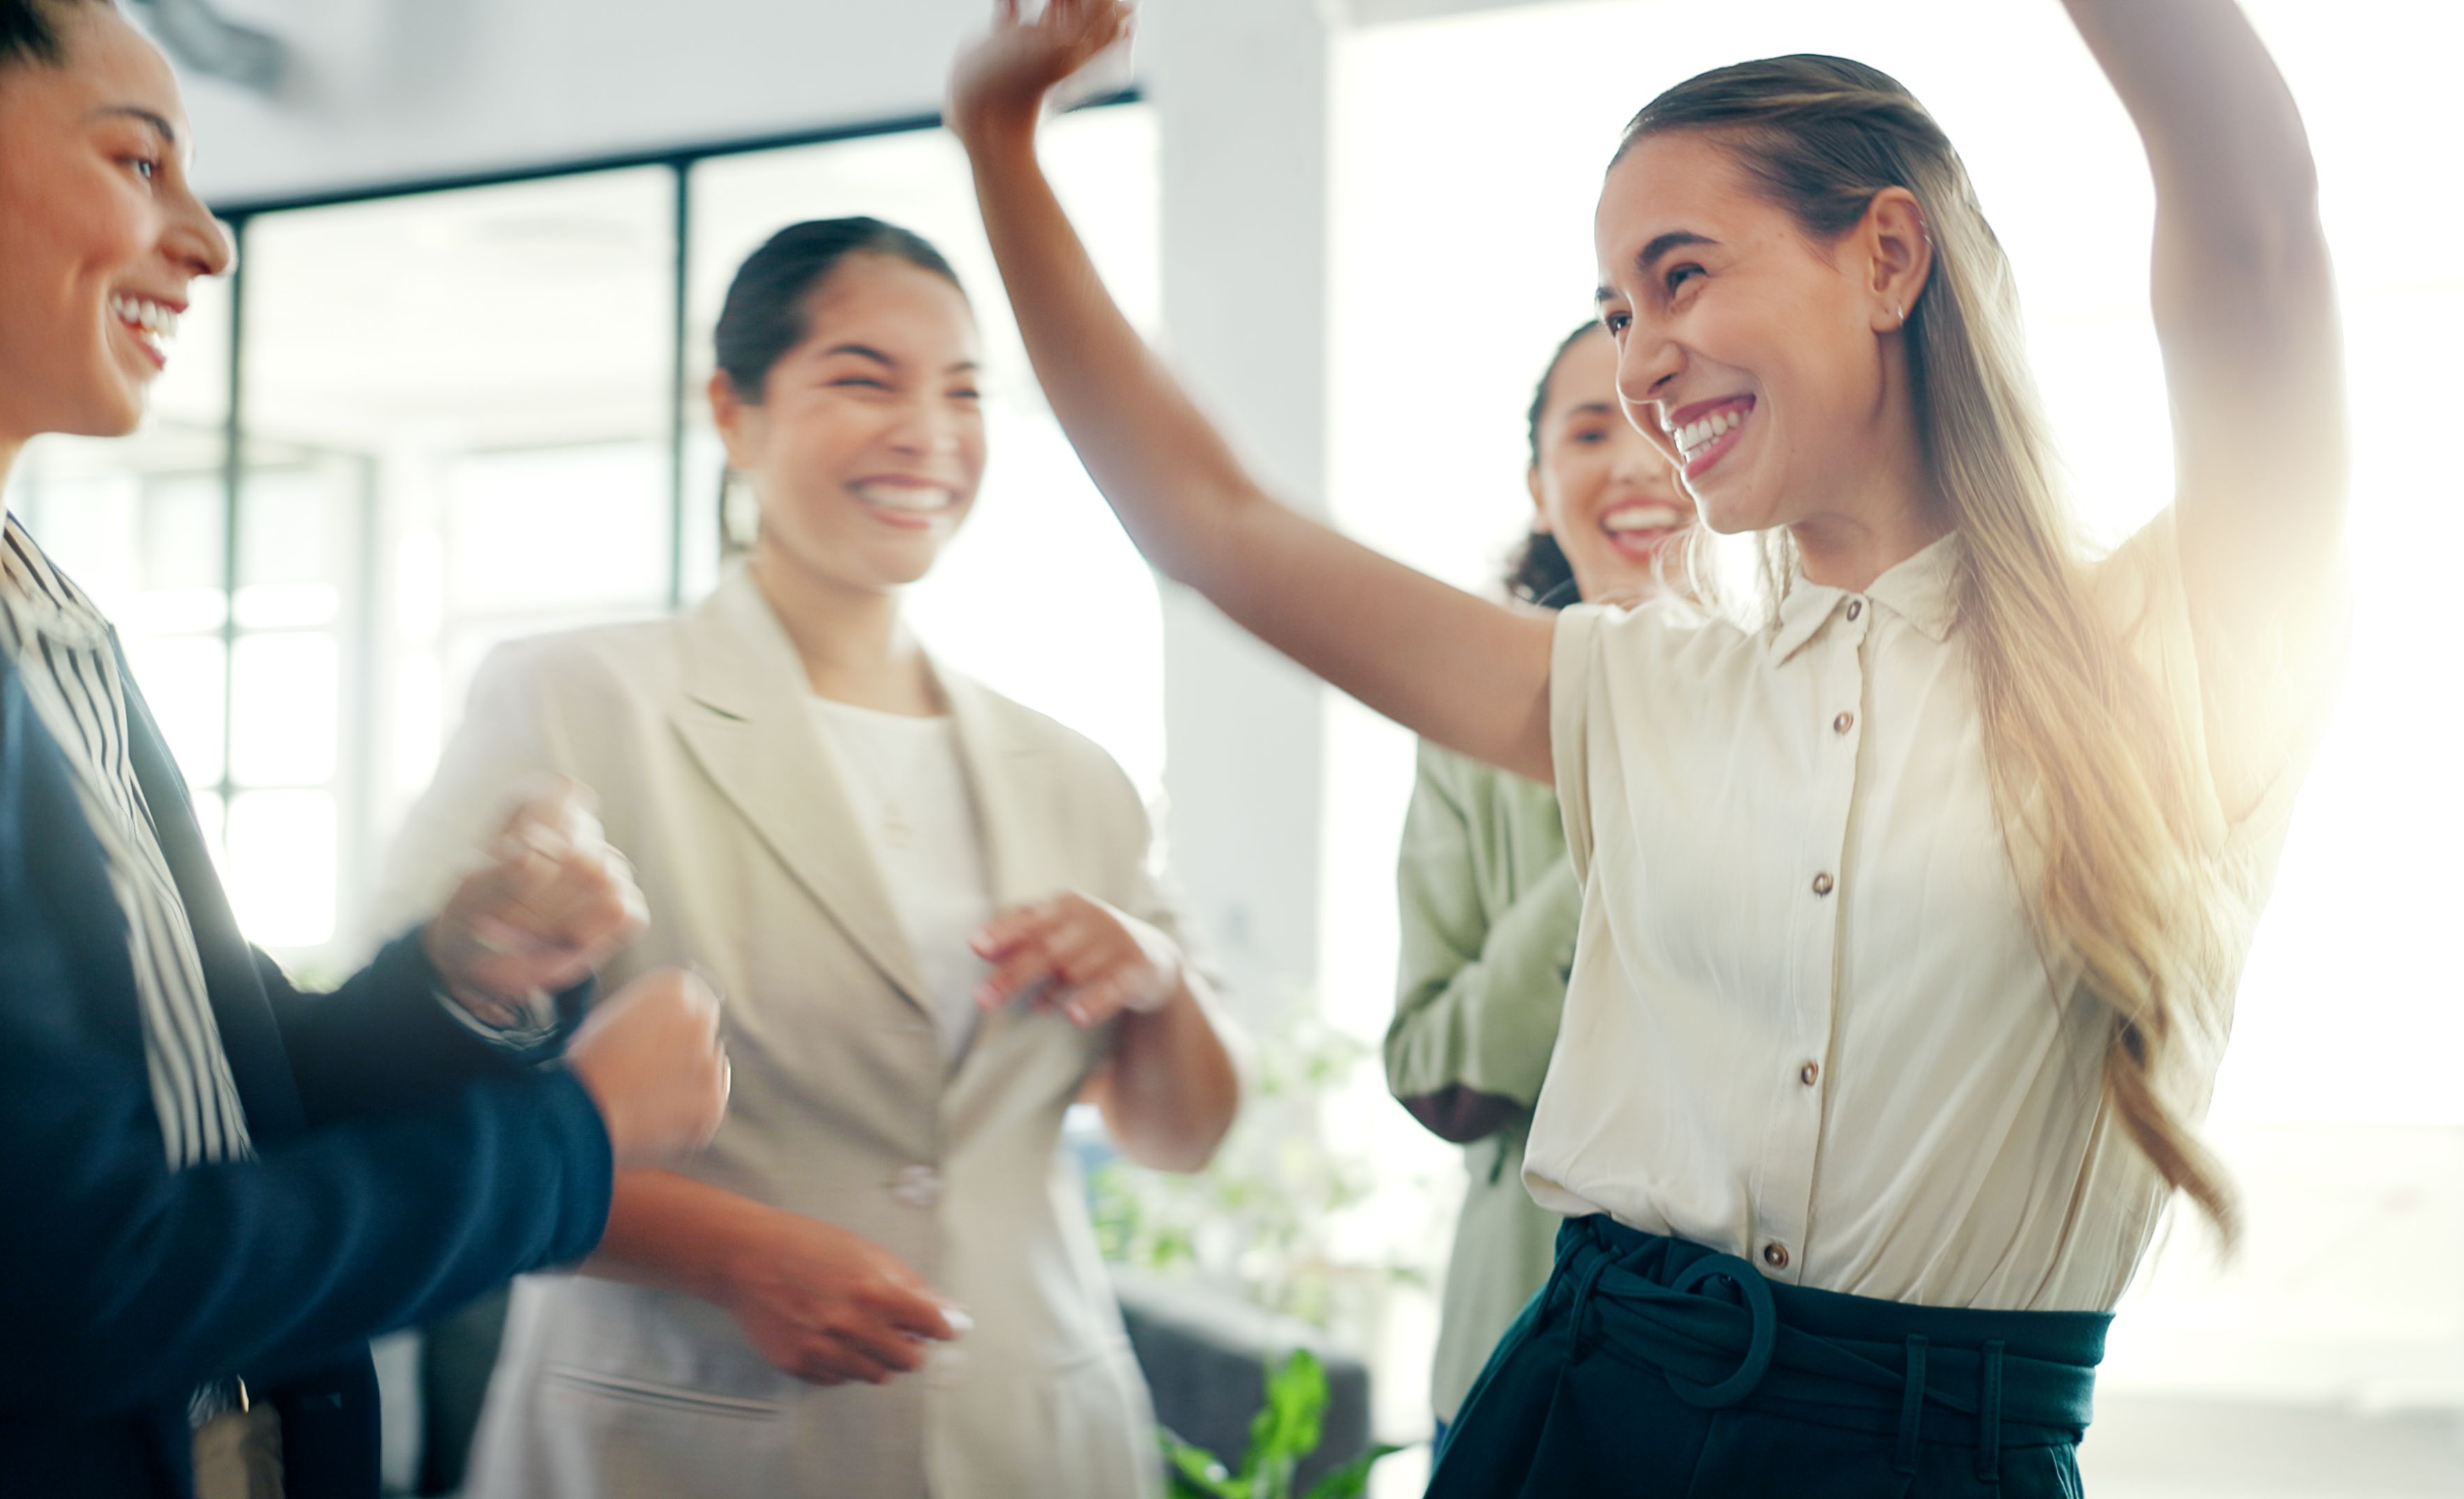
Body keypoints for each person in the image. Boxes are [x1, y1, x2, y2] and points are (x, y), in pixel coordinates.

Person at [951, 0, 2347, 1491]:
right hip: (1580, 1422)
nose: (1640, 366)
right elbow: (1214, 529)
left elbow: (2251, 221)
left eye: (1677, 280)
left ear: (1884, 257)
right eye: (1617, 314)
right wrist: (997, 141)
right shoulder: (1639, 692)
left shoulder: (2171, 643)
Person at [0, 4, 732, 1496]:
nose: (208, 240)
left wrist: (462, 977)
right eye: (139, 162)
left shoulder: (52, 621)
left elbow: (230, 1099)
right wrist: (572, 1143)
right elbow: (80, 1284)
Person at [378, 215, 1242, 1499]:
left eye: (964, 391)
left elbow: (1179, 1136)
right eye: (864, 378)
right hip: (679, 1435)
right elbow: (399, 1102)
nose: (928, 432)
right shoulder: (574, 701)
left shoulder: (1074, 773)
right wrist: (726, 1253)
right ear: (734, 410)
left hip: (1030, 1434)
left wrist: (1158, 977)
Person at [1382, 319, 1690, 1459]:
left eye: (1665, 420)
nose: (1636, 460)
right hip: (1518, 1365)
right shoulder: (1465, 737)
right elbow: (1433, 1078)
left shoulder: (1826, 711)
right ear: (1539, 480)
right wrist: (1621, 835)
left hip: (1761, 1396)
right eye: (1591, 428)